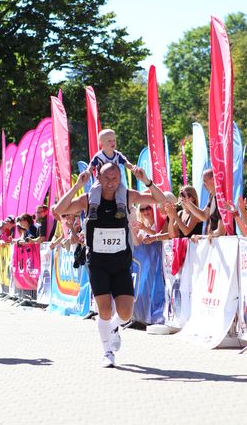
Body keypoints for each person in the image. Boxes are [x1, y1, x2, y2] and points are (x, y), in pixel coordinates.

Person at [53, 163, 165, 367]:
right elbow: (58, 210)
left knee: (125, 314)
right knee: (104, 311)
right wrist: (77, 185)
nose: (111, 182)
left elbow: (161, 200)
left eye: (115, 178)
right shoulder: (88, 199)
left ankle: (113, 327)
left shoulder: (128, 196)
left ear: (120, 179)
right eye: (106, 178)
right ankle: (107, 353)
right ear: (98, 178)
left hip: (121, 262)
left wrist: (146, 181)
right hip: (98, 263)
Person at [86, 129, 134, 220]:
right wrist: (88, 172)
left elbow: (126, 163)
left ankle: (121, 207)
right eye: (109, 141)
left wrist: (133, 168)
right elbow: (91, 166)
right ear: (101, 143)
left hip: (116, 180)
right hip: (101, 181)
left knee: (122, 188)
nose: (113, 142)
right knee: (95, 188)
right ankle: (93, 208)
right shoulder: (99, 156)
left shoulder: (118, 155)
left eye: (114, 140)